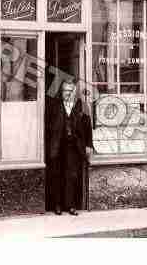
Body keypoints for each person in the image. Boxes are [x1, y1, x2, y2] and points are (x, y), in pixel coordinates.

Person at [46, 78, 93, 216]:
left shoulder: (82, 106)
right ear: (61, 92)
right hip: (57, 146)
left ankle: (71, 205)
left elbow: (88, 127)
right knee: (57, 175)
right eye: (65, 90)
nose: (67, 93)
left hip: (74, 146)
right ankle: (57, 205)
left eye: (70, 91)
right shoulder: (53, 105)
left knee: (71, 176)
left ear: (75, 92)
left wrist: (89, 145)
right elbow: (47, 127)